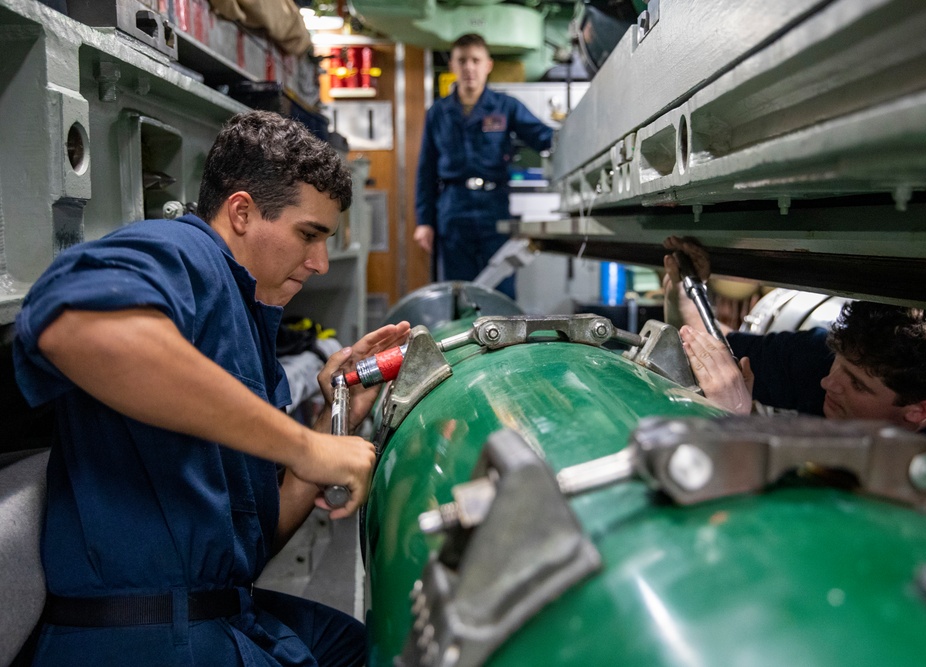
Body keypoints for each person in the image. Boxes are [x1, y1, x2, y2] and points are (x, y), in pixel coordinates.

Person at [13, 110, 410, 666]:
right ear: (242, 212)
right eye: (308, 235)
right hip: (144, 636)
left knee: (367, 646)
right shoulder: (182, 251)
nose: (320, 262)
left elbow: (251, 545)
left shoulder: (245, 313)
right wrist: (306, 447)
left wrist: (332, 421)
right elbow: (75, 326)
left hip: (220, 610)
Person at [662, 236, 926, 463]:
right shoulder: (823, 359)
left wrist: (733, 424)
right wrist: (687, 291)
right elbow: (712, 349)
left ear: (918, 412)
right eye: (838, 363)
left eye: (858, 384)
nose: (829, 382)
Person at [414, 33, 554, 300]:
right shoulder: (437, 113)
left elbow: (544, 137)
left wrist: (574, 133)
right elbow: (426, 171)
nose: (469, 68)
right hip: (453, 209)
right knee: (457, 291)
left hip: (495, 207)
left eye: (475, 60)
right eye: (462, 60)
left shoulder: (506, 107)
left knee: (500, 288)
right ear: (452, 65)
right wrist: (424, 222)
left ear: (487, 65)